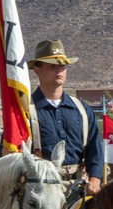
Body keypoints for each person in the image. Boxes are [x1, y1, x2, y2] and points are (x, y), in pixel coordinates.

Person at [27, 39, 103, 193]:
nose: (59, 71)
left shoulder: (82, 110)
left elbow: (95, 149)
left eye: (62, 66)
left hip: (79, 188)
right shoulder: (25, 111)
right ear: (37, 71)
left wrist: (95, 179)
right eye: (52, 66)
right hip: (41, 190)